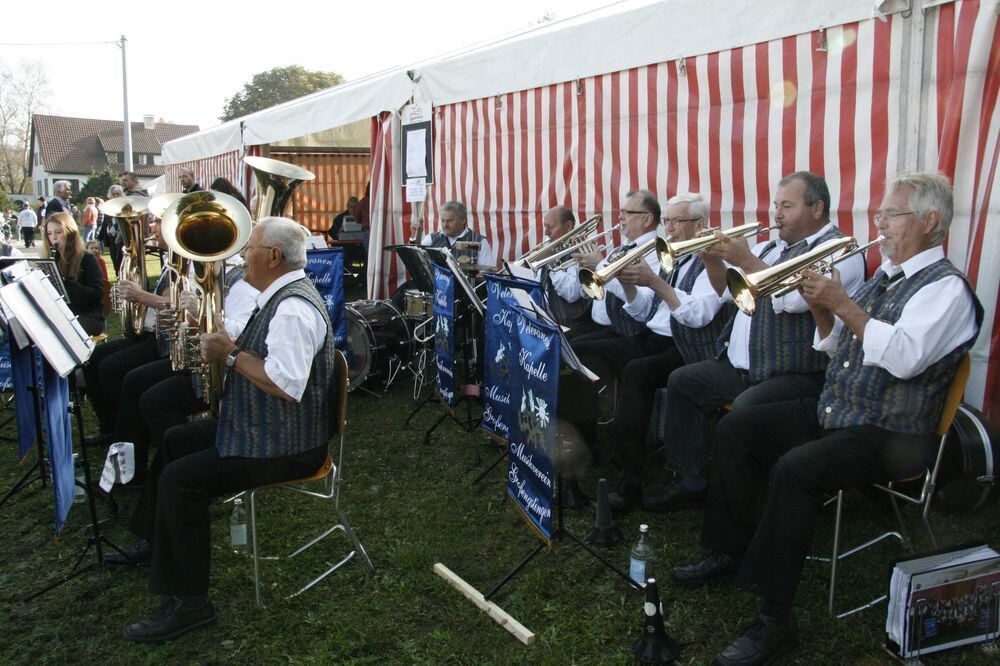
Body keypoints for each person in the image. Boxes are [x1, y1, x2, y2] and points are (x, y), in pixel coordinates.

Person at [671, 172, 982, 666]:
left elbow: (901, 358)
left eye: (890, 214)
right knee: (738, 427)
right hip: (841, 411)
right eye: (878, 214)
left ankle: (776, 621)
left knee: (796, 468)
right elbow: (840, 345)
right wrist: (823, 312)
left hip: (893, 431)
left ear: (929, 221)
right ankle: (730, 551)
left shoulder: (946, 291)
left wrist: (840, 302)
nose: (879, 223)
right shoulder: (886, 277)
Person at [122, 217, 334, 642]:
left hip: (289, 445)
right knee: (174, 440)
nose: (242, 256)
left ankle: (191, 605)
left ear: (273, 256)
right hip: (268, 430)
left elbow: (286, 385)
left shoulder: (293, 307)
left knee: (183, 480)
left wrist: (232, 354)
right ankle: (156, 541)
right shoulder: (275, 295)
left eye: (249, 248)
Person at [645, 171, 865, 513]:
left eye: (787, 206)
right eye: (776, 205)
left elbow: (792, 300)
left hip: (794, 372)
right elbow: (725, 292)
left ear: (817, 208)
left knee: (743, 415)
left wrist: (744, 259)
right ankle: (692, 481)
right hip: (743, 364)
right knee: (684, 381)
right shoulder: (770, 247)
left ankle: (749, 498)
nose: (776, 215)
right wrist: (711, 257)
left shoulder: (839, 251)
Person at [531, 205, 598, 336]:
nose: (546, 232)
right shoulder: (551, 246)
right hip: (548, 321)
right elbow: (539, 282)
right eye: (545, 227)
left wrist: (551, 262)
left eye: (550, 227)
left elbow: (571, 293)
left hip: (573, 326)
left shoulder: (581, 248)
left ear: (568, 226)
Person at [42, 212, 105, 336]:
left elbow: (96, 295)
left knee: (57, 330)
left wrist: (63, 282)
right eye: (49, 233)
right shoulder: (52, 259)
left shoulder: (87, 259)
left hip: (88, 315)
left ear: (70, 233)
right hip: (61, 314)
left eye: (58, 232)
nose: (53, 238)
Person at [410, 200, 495, 267]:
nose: (445, 225)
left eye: (450, 221)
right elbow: (414, 259)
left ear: (463, 220)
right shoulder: (432, 239)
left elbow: (487, 275)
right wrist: (415, 235)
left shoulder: (479, 242)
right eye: (443, 221)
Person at [101, 185, 126, 273]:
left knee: (123, 262)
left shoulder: (126, 206)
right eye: (114, 194)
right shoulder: (108, 207)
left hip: (123, 239)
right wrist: (99, 238)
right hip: (112, 239)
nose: (116, 196)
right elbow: (105, 224)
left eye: (118, 194)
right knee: (115, 263)